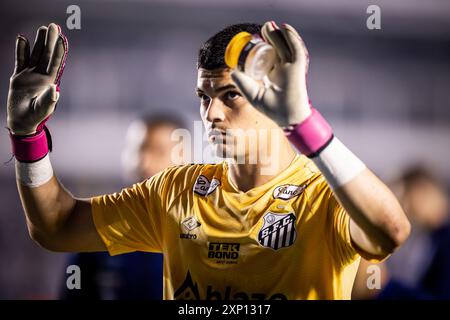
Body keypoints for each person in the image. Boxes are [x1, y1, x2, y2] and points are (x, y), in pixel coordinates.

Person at [6, 22, 410, 300]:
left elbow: (390, 230)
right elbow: (56, 227)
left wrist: (304, 123)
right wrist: (28, 137)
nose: (210, 114)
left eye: (230, 95)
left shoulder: (325, 195)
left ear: (274, 96)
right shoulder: (176, 190)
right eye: (204, 96)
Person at [59, 114, 186, 299]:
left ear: (184, 158)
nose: (143, 162)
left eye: (158, 151)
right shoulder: (95, 227)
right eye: (138, 150)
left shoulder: (208, 230)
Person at [353, 166, 450, 300]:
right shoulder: (435, 238)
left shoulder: (444, 239)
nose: (404, 209)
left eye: (406, 199)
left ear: (421, 192)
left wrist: (384, 288)